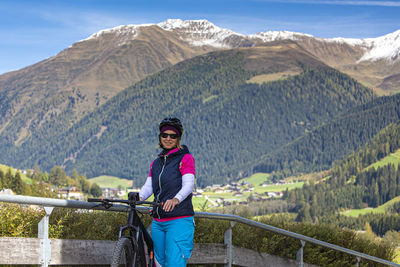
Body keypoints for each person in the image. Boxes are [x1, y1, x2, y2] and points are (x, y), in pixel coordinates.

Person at [139, 117, 195, 267]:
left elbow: (188, 185)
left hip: (179, 220)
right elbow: (149, 186)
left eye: (173, 135)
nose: (168, 138)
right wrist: (139, 196)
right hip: (158, 222)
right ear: (160, 137)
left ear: (178, 138)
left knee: (175, 264)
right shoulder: (156, 163)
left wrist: (176, 199)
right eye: (165, 135)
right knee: (159, 264)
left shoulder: (186, 158)